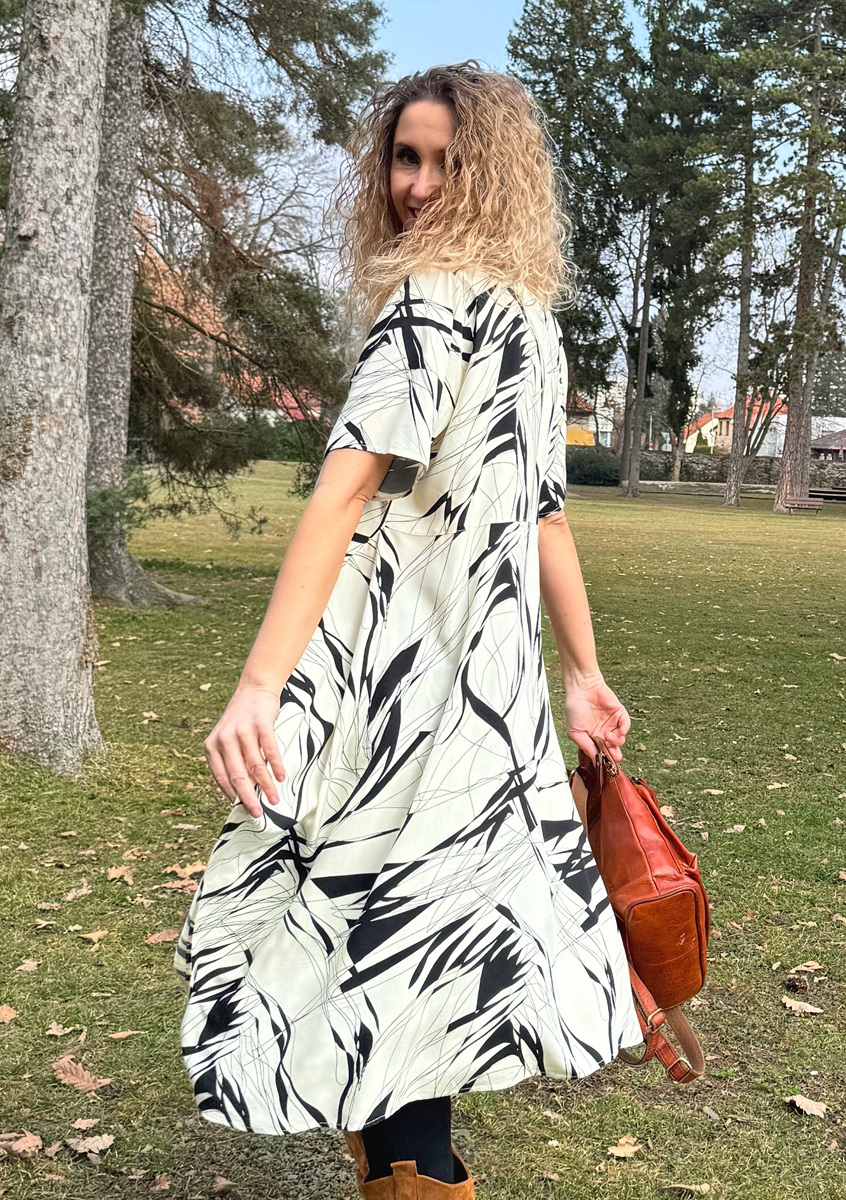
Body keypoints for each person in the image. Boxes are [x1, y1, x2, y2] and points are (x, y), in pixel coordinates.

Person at [174, 61, 642, 1199]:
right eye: (404, 157)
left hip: (400, 695)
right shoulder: (532, 321)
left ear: (495, 174)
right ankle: (400, 1167)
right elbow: (547, 518)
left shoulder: (433, 302)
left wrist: (258, 685)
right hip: (482, 704)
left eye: (447, 162)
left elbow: (348, 492)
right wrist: (576, 673)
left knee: (355, 939)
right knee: (409, 957)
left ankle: (407, 1173)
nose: (419, 186)